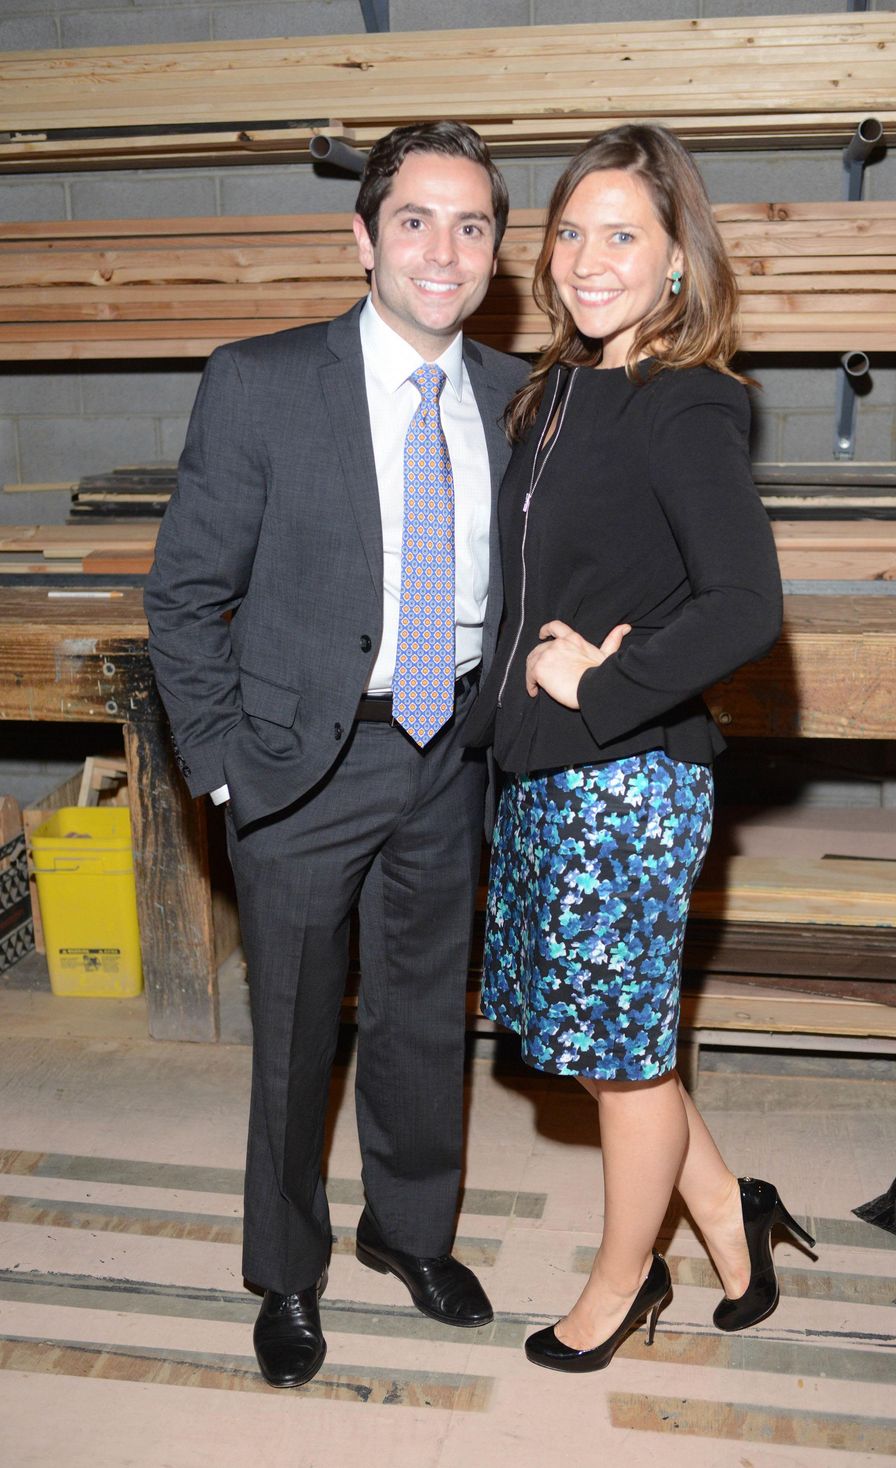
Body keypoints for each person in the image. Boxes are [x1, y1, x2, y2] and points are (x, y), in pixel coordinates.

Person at [144, 121, 527, 1389]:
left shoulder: (514, 396)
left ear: (495, 253)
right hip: (297, 765)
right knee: (296, 1032)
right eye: (415, 219)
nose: (442, 249)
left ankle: (409, 1234)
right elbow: (184, 597)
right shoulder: (260, 380)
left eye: (470, 225)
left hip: (448, 747)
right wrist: (219, 766)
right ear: (360, 237)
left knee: (424, 1019)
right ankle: (286, 1273)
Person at [465, 123, 814, 1374]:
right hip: (545, 771)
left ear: (677, 261)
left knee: (615, 1059)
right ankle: (731, 1211)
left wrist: (604, 681)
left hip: (625, 779)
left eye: (623, 234)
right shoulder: (554, 390)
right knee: (617, 1041)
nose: (587, 257)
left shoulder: (685, 400)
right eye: (569, 231)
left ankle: (623, 1280)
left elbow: (743, 604)